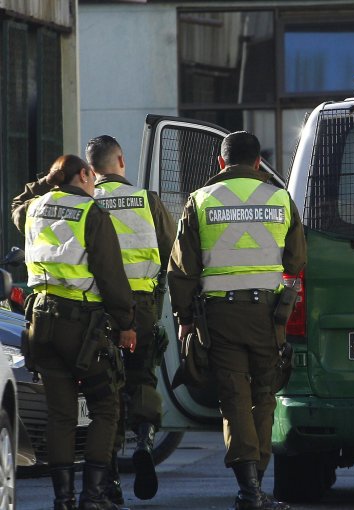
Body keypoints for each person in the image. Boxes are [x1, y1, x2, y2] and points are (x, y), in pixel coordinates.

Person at [168, 132, 306, 510]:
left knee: (234, 399)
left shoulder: (199, 200)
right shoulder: (281, 198)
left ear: (220, 163)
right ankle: (255, 488)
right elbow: (295, 262)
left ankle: (248, 489)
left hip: (220, 318)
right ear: (258, 162)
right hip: (268, 316)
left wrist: (184, 319)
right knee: (264, 398)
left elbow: (181, 270)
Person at [11, 155, 136, 510]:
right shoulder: (90, 212)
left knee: (60, 413)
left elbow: (16, 204)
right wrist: (126, 323)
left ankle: (62, 499)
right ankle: (92, 496)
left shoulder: (35, 209)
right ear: (82, 174)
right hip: (81, 326)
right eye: (91, 177)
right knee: (106, 406)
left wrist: (48, 179)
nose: (95, 184)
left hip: (40, 324)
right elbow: (110, 275)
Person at [86, 135, 176, 502]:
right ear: (120, 160)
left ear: (91, 170)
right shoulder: (147, 201)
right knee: (142, 380)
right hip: (142, 307)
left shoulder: (87, 203)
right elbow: (173, 250)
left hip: (99, 310)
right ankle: (144, 441)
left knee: (105, 395)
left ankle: (110, 482)